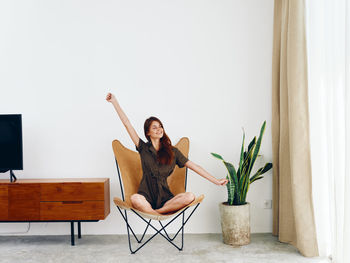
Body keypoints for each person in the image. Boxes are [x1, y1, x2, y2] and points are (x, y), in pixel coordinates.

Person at [106, 93, 228, 215]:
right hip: (145, 196)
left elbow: (195, 167)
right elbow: (127, 124)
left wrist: (216, 181)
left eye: (160, 127)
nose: (159, 129)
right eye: (154, 128)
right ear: (147, 133)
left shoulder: (173, 152)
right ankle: (155, 213)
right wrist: (114, 102)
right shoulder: (143, 148)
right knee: (134, 198)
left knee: (190, 196)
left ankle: (156, 212)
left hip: (166, 200)